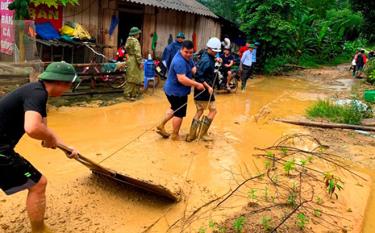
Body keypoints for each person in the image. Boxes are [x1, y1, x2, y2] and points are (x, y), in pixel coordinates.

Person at [0, 61, 79, 233]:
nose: (67, 90)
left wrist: (67, 148)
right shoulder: (37, 94)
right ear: (61, 83)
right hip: (1, 152)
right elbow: (33, 128)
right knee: (38, 183)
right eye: (68, 86)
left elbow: (44, 134)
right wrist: (49, 137)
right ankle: (39, 230)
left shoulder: (35, 92)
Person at [156, 40, 205, 141]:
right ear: (181, 49)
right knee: (179, 114)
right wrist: (197, 84)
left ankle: (161, 124)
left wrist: (200, 75)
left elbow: (193, 68)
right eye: (186, 52)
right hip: (176, 92)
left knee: (175, 108)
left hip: (172, 90)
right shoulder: (179, 61)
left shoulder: (188, 57)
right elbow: (182, 79)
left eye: (191, 52)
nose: (188, 54)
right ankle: (175, 135)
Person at [186, 37, 221, 142]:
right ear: (210, 49)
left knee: (200, 111)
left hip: (200, 91)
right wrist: (209, 87)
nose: (216, 53)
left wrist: (217, 59)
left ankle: (192, 135)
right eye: (215, 51)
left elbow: (210, 61)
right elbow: (198, 76)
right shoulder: (206, 60)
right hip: (205, 90)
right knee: (213, 111)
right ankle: (203, 134)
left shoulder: (205, 54)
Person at [124, 27, 143, 101]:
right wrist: (140, 62)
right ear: (135, 34)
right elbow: (137, 53)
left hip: (130, 59)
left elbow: (126, 48)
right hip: (134, 60)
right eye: (138, 33)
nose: (139, 34)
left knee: (130, 77)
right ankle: (130, 95)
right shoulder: (135, 41)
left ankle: (131, 94)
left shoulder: (128, 39)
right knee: (134, 78)